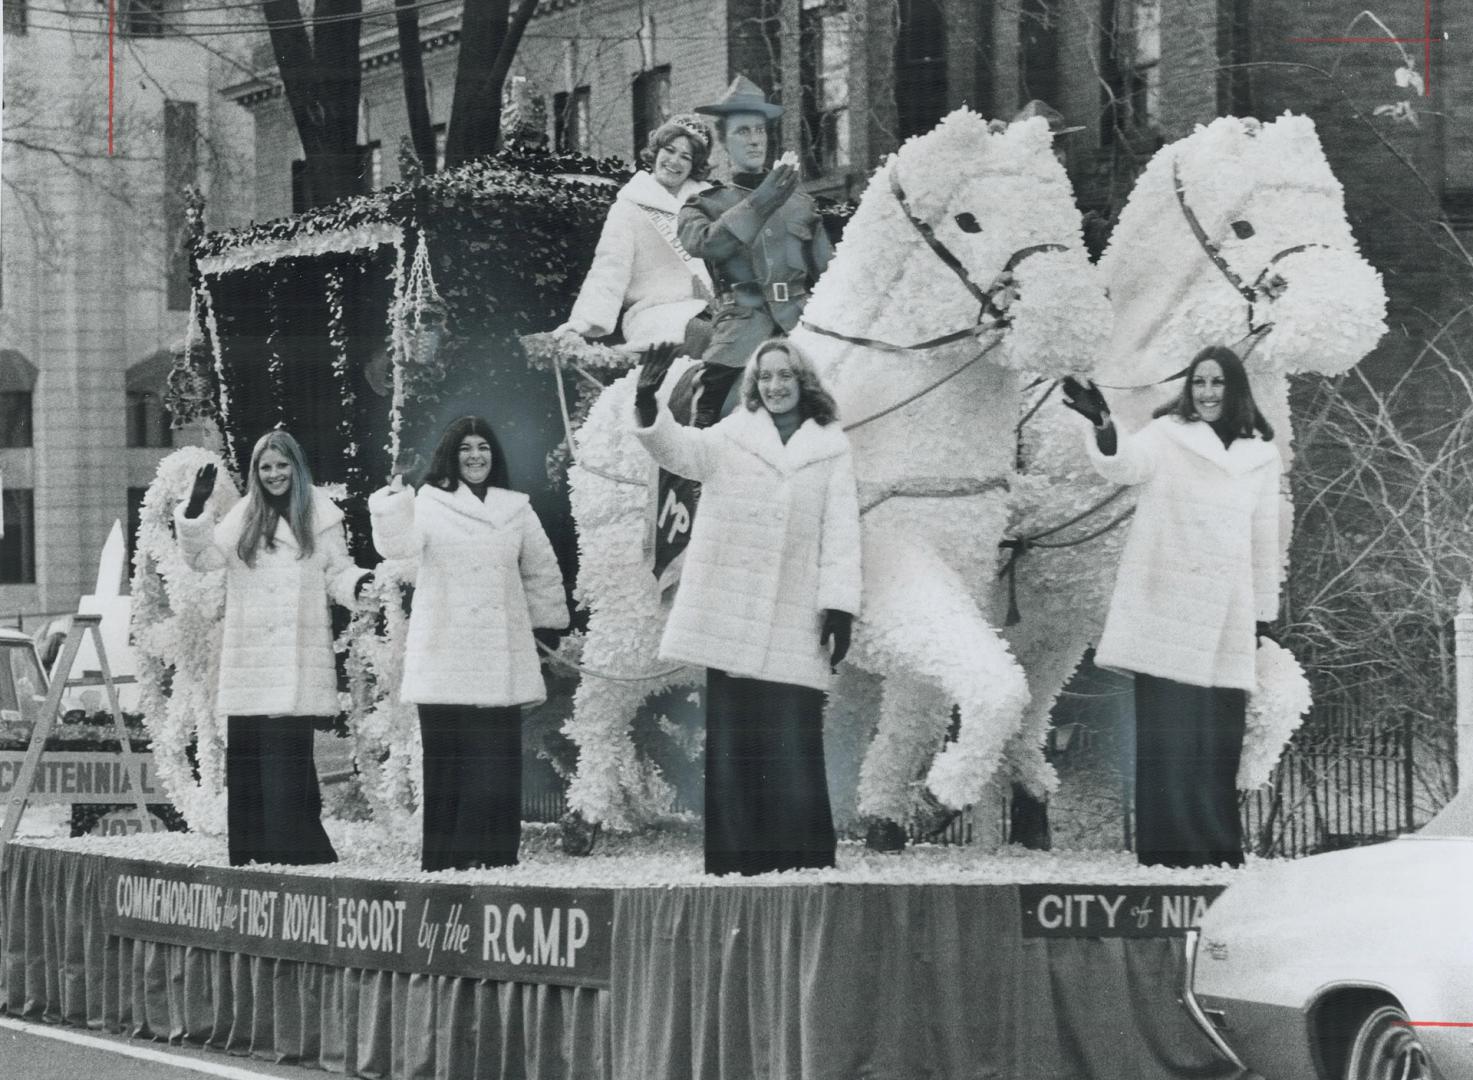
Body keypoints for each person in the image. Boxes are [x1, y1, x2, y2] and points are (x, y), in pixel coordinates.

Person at [632, 339, 861, 875]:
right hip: (731, 613)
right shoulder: (731, 436)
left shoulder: (831, 448)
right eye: (765, 378)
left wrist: (839, 608)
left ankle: (802, 861)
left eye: (785, 376)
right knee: (735, 741)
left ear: (804, 381)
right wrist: (648, 401)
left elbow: (842, 533)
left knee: (794, 738)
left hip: (793, 614)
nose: (775, 387)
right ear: (754, 386)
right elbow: (677, 451)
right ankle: (736, 861)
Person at [1061, 345, 1281, 868]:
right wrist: (1102, 422)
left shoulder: (1261, 455)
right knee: (1169, 739)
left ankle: (1219, 854)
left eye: (1217, 383)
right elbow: (1125, 465)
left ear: (1235, 389)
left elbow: (1264, 535)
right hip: (1168, 607)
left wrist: (1262, 615)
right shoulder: (1167, 435)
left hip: (1227, 614)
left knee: (1217, 740)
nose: (1207, 393)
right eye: (1199, 382)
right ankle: (1167, 857)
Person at [369, 416, 569, 871]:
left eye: (483, 447)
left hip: (500, 657)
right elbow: (395, 547)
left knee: (496, 767)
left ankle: (497, 864)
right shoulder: (428, 504)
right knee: (450, 767)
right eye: (465, 449)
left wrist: (545, 627)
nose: (475, 456)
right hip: (445, 657)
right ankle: (446, 868)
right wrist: (395, 494)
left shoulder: (517, 508)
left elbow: (541, 571)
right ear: (451, 457)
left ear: (493, 455)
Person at [176, 431, 370, 867]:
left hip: (293, 663)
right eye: (265, 467)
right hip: (250, 662)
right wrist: (193, 511)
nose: (274, 474)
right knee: (248, 771)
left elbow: (337, 573)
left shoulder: (321, 517)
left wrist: (361, 583)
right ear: (255, 473)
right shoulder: (244, 515)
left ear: (296, 467)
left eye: (282, 465)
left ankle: (299, 859)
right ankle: (250, 862)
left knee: (289, 768)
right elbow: (202, 559)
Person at [679, 75, 833, 427]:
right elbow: (703, 243)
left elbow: (831, 274)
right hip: (740, 330)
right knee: (709, 405)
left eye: (759, 131)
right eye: (742, 132)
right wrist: (761, 201)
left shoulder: (800, 203)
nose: (754, 141)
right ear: (723, 142)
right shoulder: (704, 204)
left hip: (801, 324)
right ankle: (693, 479)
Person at [556, 114, 717, 352]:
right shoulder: (629, 206)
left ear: (694, 166)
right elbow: (609, 269)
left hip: (708, 308)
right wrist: (583, 323)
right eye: (669, 150)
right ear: (656, 151)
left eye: (686, 157)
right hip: (654, 313)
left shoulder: (707, 202)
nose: (674, 161)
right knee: (701, 335)